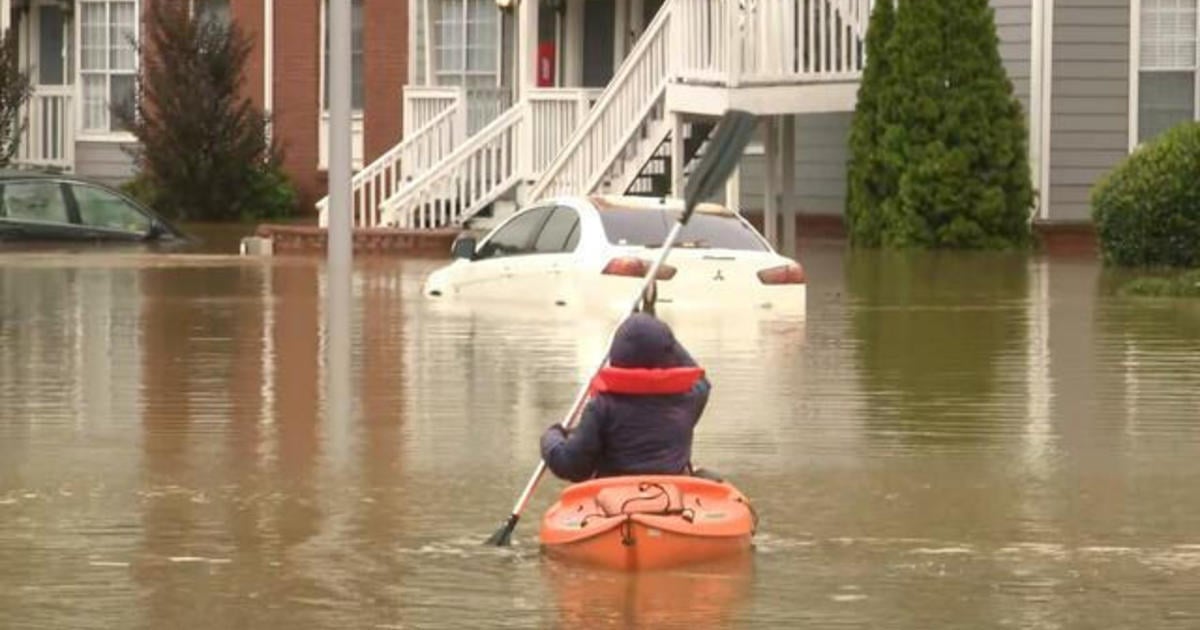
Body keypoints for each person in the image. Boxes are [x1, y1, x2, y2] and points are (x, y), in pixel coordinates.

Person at [539, 313, 712, 482]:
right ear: (669, 354)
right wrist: (663, 338)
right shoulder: (688, 398)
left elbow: (573, 467)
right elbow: (700, 377)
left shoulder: (602, 406)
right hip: (672, 493)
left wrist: (552, 436)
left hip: (615, 497)